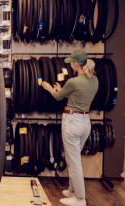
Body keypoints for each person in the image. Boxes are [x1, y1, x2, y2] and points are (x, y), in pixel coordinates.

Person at [42, 50, 98, 206]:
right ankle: (73, 191)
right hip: (85, 122)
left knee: (73, 162)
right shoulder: (94, 80)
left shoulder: (74, 81)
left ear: (75, 64)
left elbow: (58, 97)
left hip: (72, 122)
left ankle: (80, 199)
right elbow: (77, 96)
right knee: (74, 159)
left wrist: (49, 88)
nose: (70, 64)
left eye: (71, 62)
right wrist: (63, 90)